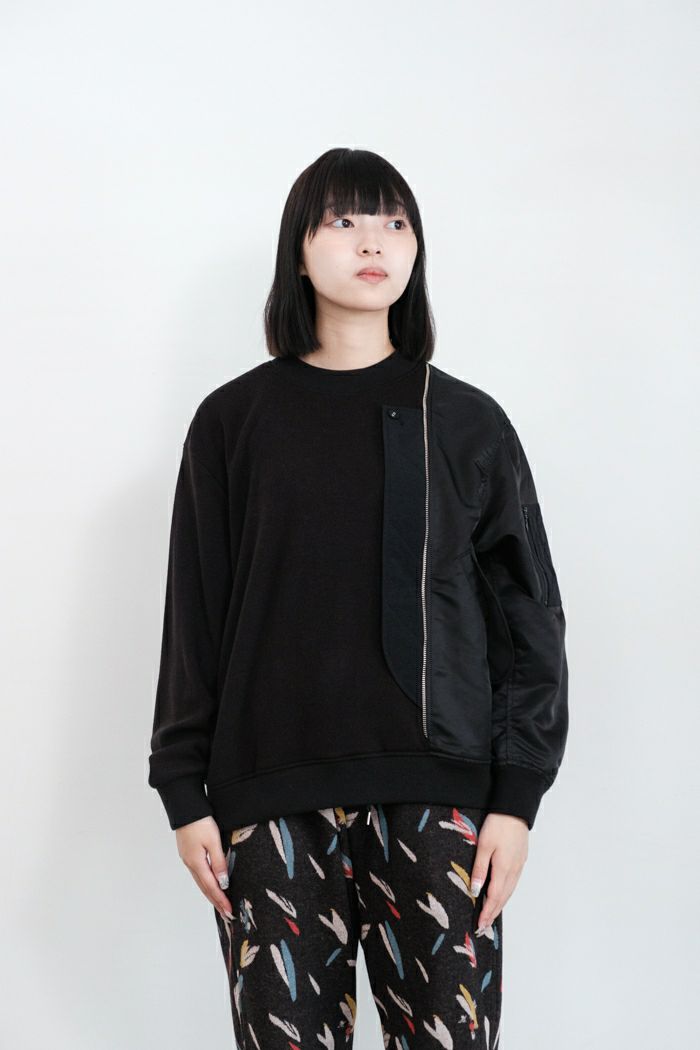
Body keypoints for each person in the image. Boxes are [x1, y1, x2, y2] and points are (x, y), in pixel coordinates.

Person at [147, 147, 569, 1048]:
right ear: (298, 253)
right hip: (269, 801)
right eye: (342, 220)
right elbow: (196, 612)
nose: (373, 241)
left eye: (394, 222)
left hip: (439, 800)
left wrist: (516, 798)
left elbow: (529, 621)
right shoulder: (232, 422)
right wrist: (184, 791)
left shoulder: (467, 422)